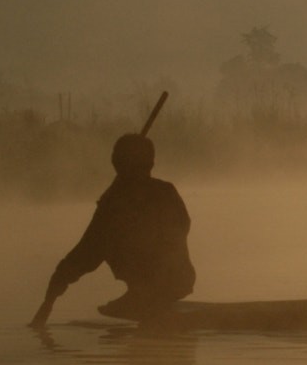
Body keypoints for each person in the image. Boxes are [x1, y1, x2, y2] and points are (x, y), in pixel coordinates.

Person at [30, 133, 195, 326]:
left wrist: (48, 302)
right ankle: (146, 294)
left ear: (117, 164)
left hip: (165, 283)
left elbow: (85, 254)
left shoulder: (115, 205)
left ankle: (144, 295)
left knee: (112, 244)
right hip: (181, 281)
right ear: (151, 163)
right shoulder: (163, 191)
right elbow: (83, 256)